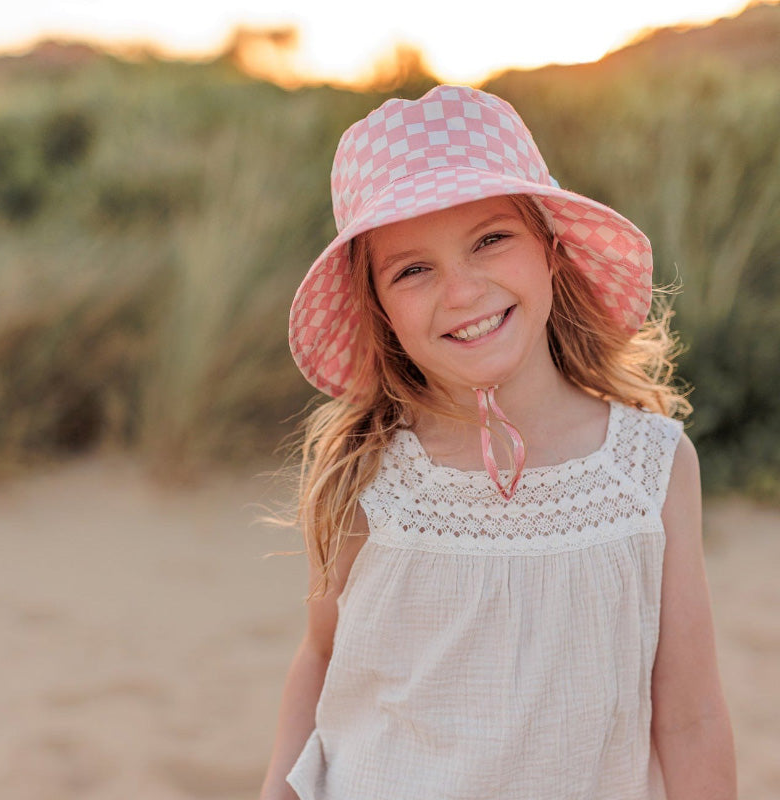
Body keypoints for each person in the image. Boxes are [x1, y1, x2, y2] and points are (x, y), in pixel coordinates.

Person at [260, 85, 736, 800]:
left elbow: (692, 717)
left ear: (551, 250)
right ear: (380, 309)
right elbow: (323, 658)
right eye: (412, 269)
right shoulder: (367, 471)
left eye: (490, 239)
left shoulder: (651, 468)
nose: (463, 290)